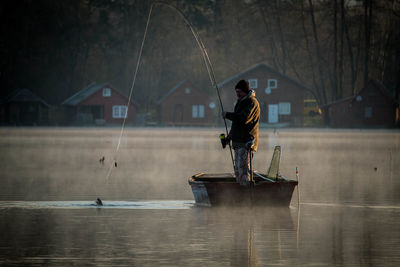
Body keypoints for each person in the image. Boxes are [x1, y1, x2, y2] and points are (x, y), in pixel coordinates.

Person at [222, 79, 260, 186]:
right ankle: (240, 194)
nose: (237, 94)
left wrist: (227, 115)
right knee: (238, 171)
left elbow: (244, 118)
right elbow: (236, 124)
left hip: (247, 143)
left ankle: (246, 193)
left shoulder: (252, 102)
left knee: (244, 171)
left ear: (245, 91)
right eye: (236, 92)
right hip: (238, 143)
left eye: (239, 92)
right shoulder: (240, 102)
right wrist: (229, 138)